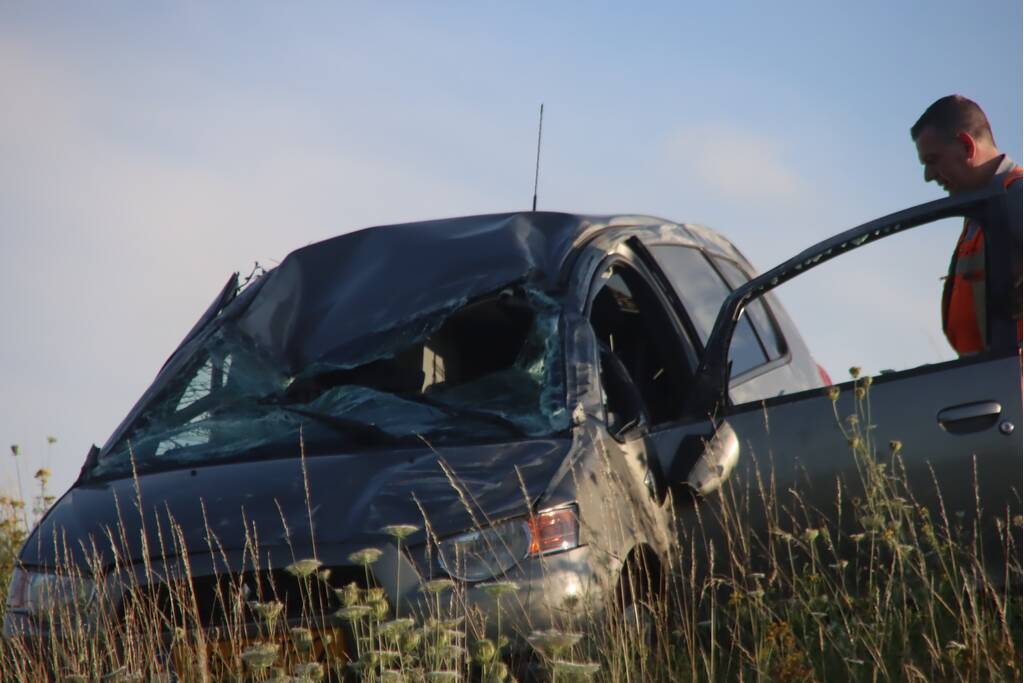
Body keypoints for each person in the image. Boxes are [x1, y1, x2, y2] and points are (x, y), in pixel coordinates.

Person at [911, 95, 1023, 355]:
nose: (928, 176)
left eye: (932, 160)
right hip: (987, 381)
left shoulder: (1017, 198)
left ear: (966, 146)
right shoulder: (983, 210)